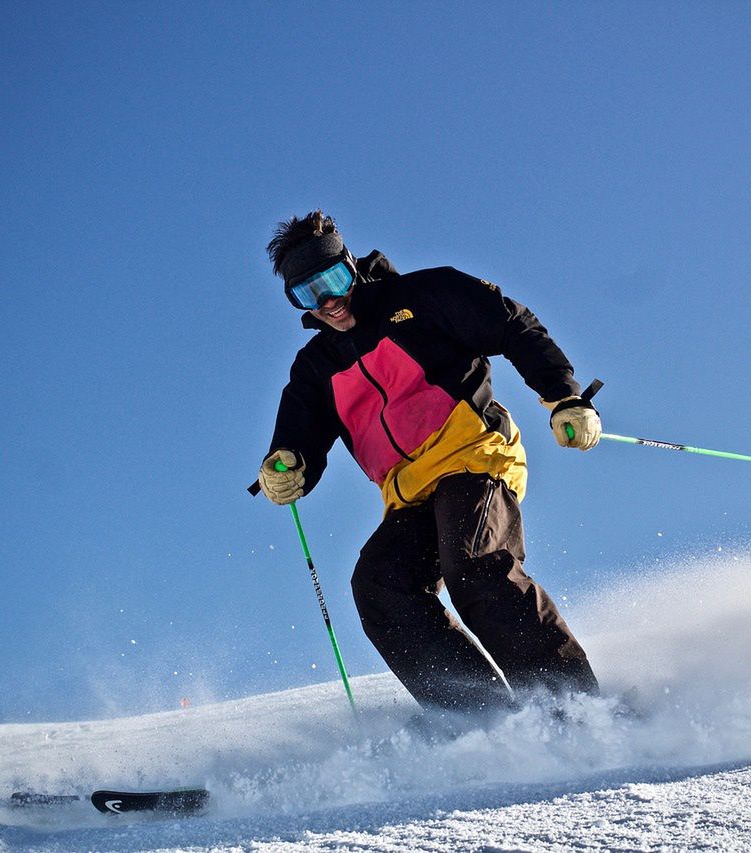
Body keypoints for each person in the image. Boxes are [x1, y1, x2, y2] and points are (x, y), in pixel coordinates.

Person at [251, 210, 601, 720]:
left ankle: (574, 709)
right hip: (407, 494)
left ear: (352, 266)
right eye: (308, 294)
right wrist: (285, 465)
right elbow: (297, 438)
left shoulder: (421, 297)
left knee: (474, 567)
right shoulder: (315, 367)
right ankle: (483, 721)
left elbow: (512, 323)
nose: (327, 302)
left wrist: (565, 397)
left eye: (333, 280)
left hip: (472, 459)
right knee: (379, 586)